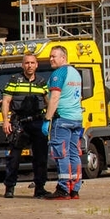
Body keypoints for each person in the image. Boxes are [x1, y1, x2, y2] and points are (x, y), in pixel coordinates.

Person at [0, 51, 50, 199]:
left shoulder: (42, 82)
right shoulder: (14, 80)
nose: (29, 66)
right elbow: (6, 101)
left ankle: (40, 188)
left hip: (37, 121)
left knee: (41, 157)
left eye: (32, 63)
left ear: (37, 65)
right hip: (19, 123)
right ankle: (9, 187)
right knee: (14, 157)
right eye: (27, 63)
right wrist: (5, 120)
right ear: (22, 65)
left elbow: (49, 102)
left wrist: (50, 120)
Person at [43, 44, 85, 199]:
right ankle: (75, 189)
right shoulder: (75, 73)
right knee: (74, 153)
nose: (51, 59)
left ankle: (63, 189)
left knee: (61, 154)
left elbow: (55, 98)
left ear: (63, 57)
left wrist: (47, 119)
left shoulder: (59, 73)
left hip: (62, 119)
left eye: (54, 56)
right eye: (50, 56)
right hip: (76, 119)